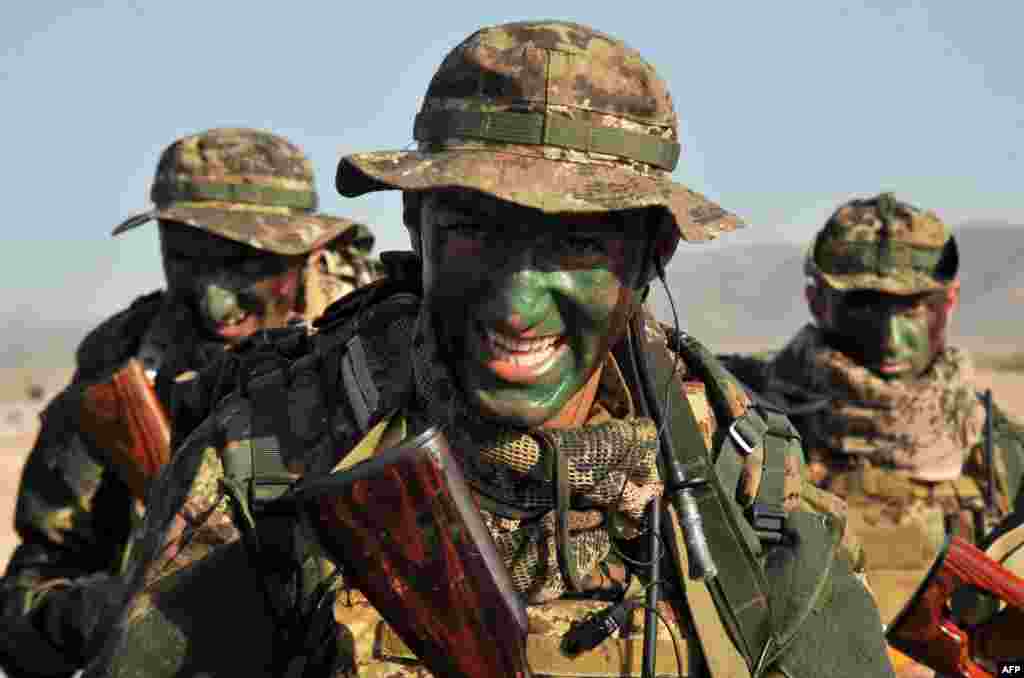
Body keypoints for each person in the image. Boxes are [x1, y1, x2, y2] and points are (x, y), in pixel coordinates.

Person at [85, 23, 894, 678]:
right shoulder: (270, 462)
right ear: (415, 225)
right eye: (474, 233)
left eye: (576, 245)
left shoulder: (743, 481)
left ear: (653, 254)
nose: (515, 304)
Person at [0, 128, 380, 678]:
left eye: (246, 262)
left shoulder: (385, 343)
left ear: (308, 251)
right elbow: (28, 594)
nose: (215, 301)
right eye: (187, 258)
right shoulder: (122, 371)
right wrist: (111, 614)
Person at [721, 193, 1024, 675]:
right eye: (864, 306)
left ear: (950, 300)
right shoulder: (738, 414)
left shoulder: (1001, 453)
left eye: (913, 308)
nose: (890, 337)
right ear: (816, 298)